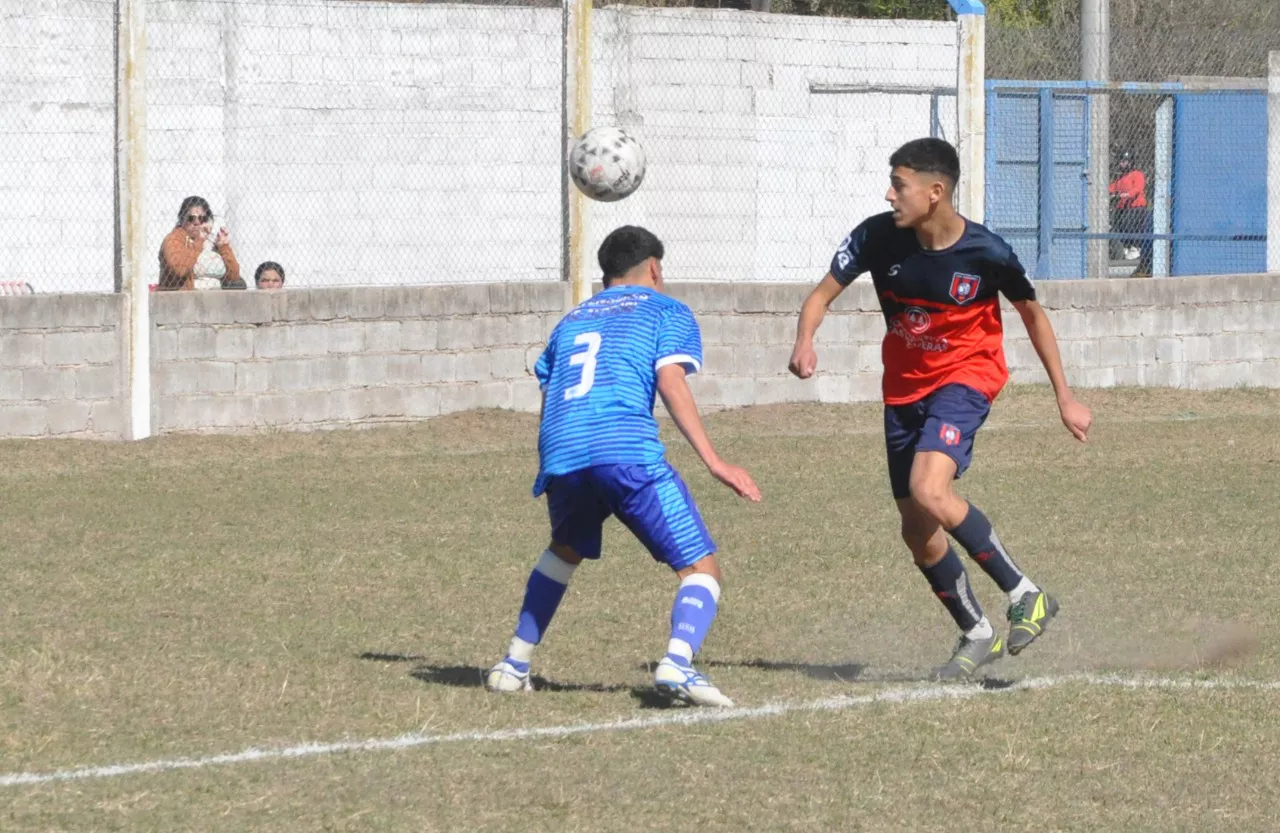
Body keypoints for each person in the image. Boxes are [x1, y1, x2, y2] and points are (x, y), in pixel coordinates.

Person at [788, 138, 1092, 681]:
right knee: (916, 528)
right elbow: (819, 297)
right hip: (903, 391)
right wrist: (804, 341)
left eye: (898, 184)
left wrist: (1064, 396)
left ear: (935, 192)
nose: (889, 194)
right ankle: (976, 631)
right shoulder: (876, 237)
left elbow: (1033, 316)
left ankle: (1026, 594)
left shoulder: (987, 253)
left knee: (933, 489)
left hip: (967, 378)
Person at [486, 225, 761, 707]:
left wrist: (553, 462)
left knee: (563, 550)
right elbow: (671, 380)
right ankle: (677, 663)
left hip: (563, 452)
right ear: (654, 269)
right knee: (702, 568)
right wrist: (714, 461)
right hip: (625, 451)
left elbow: (551, 392)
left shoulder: (570, 321)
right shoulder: (664, 309)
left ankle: (514, 663)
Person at [157, 196, 241, 291]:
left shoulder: (211, 241)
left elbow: (234, 276)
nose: (197, 222)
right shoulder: (173, 239)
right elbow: (180, 269)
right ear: (182, 219)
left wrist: (223, 247)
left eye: (202, 218)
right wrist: (198, 242)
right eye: (191, 218)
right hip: (184, 299)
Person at [1109, 151, 1153, 277]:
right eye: (1121, 161)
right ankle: (1124, 247)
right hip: (1123, 208)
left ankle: (1136, 247)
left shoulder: (1137, 174)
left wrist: (1126, 194)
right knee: (1116, 225)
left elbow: (1137, 189)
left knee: (1129, 222)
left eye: (1125, 161)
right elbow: (1113, 188)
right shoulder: (1121, 178)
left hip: (1136, 207)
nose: (1122, 164)